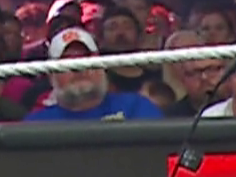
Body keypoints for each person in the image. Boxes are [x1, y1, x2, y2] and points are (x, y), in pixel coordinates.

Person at [23, 28, 164, 123]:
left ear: (101, 66)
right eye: (67, 61)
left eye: (86, 59)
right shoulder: (37, 124)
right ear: (51, 76)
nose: (78, 68)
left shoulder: (136, 107)